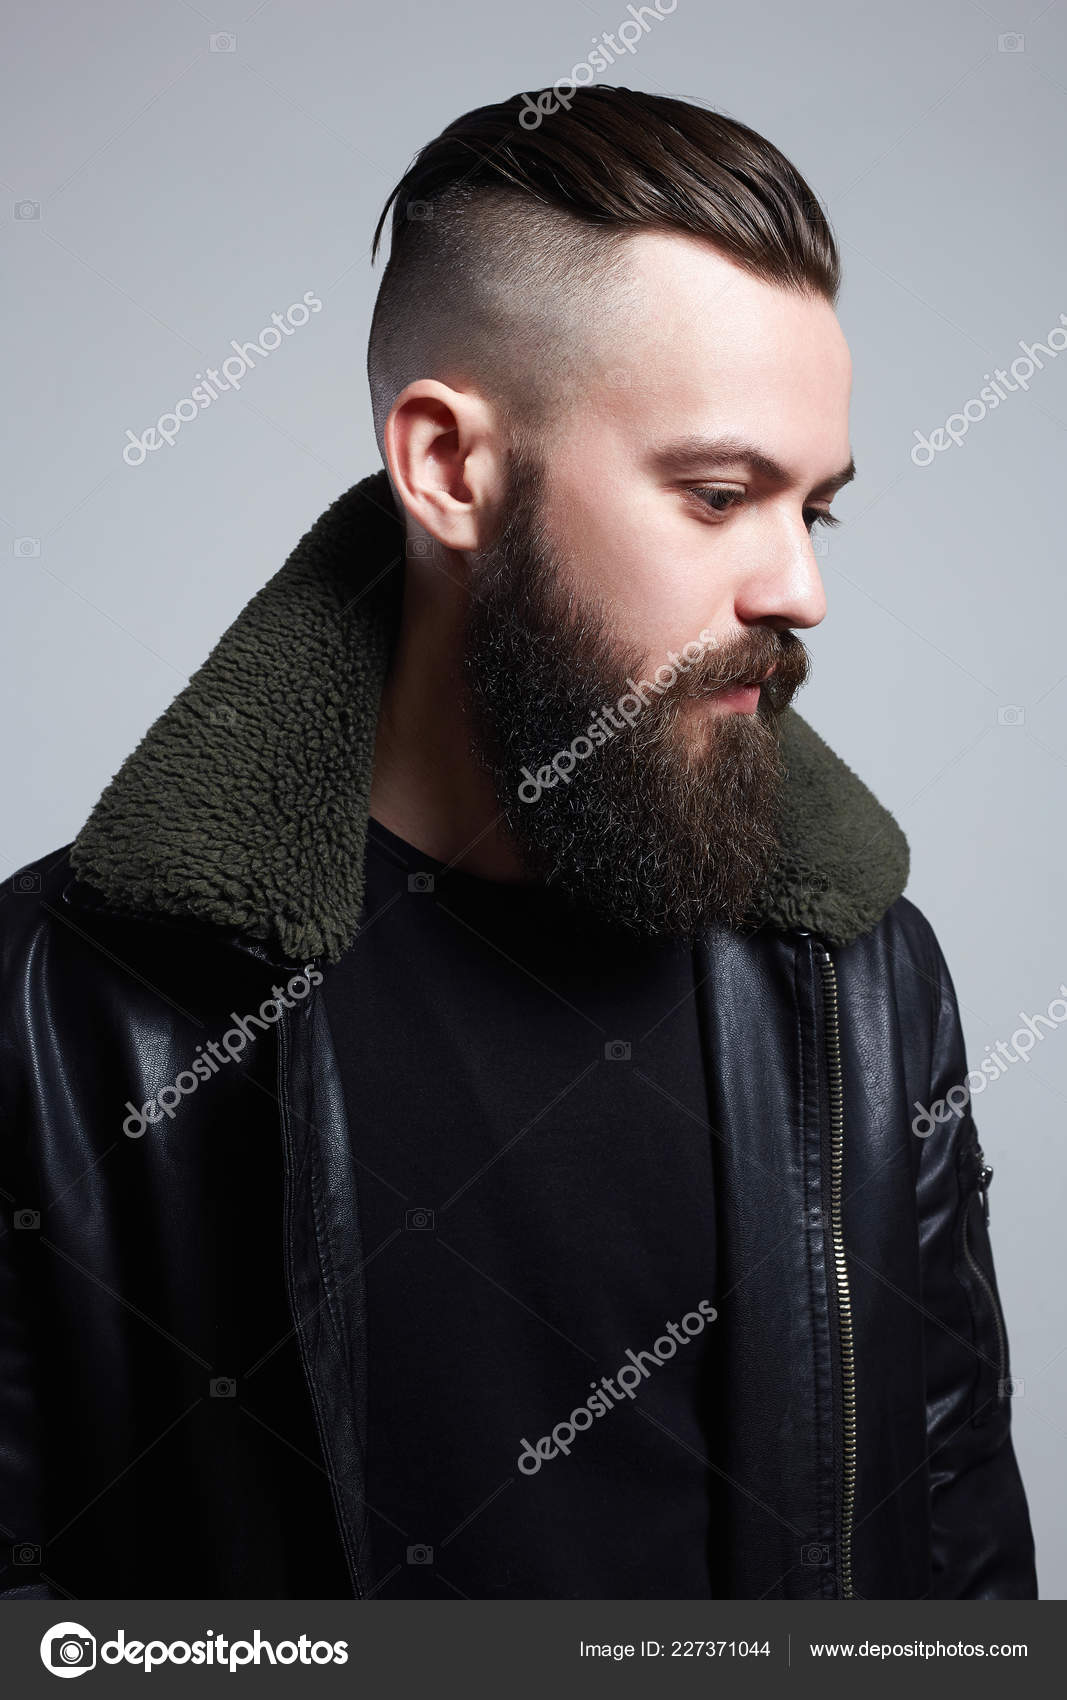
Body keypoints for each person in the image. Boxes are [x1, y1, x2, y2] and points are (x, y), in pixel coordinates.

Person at [0, 86, 1036, 1601]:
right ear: (449, 468)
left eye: (819, 511)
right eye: (721, 493)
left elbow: (960, 1571)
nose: (800, 588)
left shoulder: (867, 986)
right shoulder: (66, 1011)